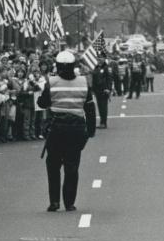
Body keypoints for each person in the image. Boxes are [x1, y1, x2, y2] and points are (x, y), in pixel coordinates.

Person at [37, 50, 94, 212]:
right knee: (72, 166)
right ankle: (69, 202)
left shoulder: (52, 81)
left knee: (53, 165)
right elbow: (90, 107)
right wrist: (90, 131)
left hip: (56, 128)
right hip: (76, 128)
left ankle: (54, 202)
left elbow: (42, 103)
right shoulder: (83, 81)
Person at [90, 56, 112, 129]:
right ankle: (102, 122)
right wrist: (92, 89)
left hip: (104, 89)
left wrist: (108, 88)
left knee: (103, 107)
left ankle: (103, 123)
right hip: (97, 90)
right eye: (98, 58)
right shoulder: (96, 67)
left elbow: (109, 78)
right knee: (100, 106)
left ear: (104, 59)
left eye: (100, 58)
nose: (99, 60)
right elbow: (94, 78)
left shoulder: (106, 67)